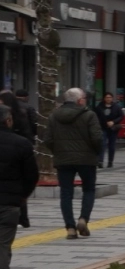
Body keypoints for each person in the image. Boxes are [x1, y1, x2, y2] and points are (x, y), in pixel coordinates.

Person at [44, 87, 101, 237]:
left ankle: (70, 227)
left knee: (66, 193)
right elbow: (97, 138)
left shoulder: (54, 116)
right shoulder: (89, 115)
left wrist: (58, 151)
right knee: (88, 190)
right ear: (80, 101)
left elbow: (48, 139)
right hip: (86, 159)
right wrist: (96, 152)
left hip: (63, 160)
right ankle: (83, 219)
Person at [0, 102, 38, 269]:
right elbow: (32, 175)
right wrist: (22, 196)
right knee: (3, 247)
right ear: (8, 120)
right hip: (9, 204)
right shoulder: (22, 144)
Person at [95, 91, 124, 168]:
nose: (108, 99)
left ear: (112, 98)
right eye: (107, 97)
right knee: (102, 144)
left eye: (110, 97)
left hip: (113, 128)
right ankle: (100, 161)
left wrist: (113, 122)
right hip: (103, 127)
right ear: (104, 98)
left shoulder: (116, 107)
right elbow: (96, 116)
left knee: (112, 145)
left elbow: (121, 116)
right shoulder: (99, 106)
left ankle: (110, 161)